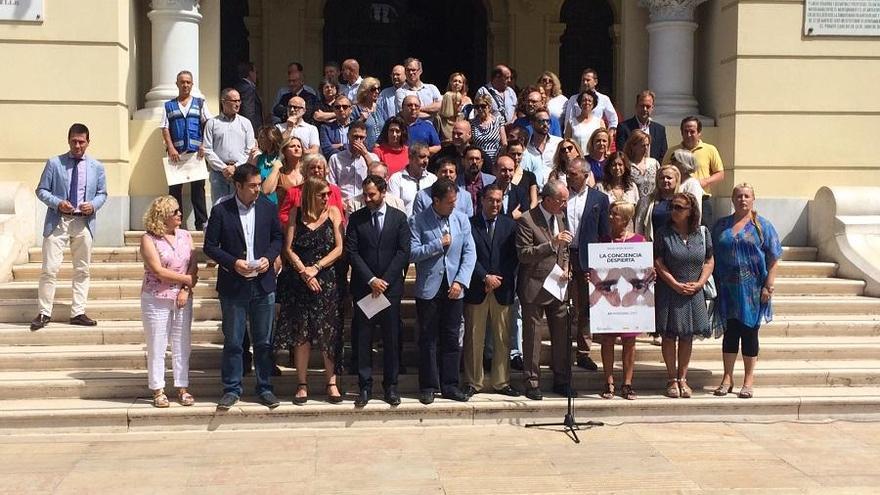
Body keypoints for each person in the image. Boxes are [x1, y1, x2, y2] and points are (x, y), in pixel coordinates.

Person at [203, 164, 283, 410]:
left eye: (259, 184)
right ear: (238, 186)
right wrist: (232, 263)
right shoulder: (221, 211)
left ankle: (264, 387)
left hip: (263, 283)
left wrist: (268, 259)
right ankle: (231, 388)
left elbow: (277, 238)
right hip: (234, 284)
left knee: (263, 341)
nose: (257, 189)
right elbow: (210, 246)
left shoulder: (268, 208)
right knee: (235, 341)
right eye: (252, 186)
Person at [31, 123, 108, 331]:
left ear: (88, 142)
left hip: (83, 222)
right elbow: (41, 190)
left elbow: (103, 193)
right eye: (74, 141)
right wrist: (57, 203)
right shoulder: (54, 163)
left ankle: (78, 312)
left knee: (82, 269)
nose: (77, 145)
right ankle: (44, 312)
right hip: (59, 221)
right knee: (49, 269)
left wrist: (93, 205)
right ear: (68, 140)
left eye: (81, 141)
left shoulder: (97, 167)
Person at [279, 176, 346, 405]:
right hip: (300, 280)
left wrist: (316, 268)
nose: (327, 198)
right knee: (302, 334)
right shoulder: (296, 214)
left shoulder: (334, 212)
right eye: (322, 194)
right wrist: (303, 272)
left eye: (328, 193)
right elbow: (288, 248)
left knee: (329, 333)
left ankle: (332, 382)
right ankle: (302, 383)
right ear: (310, 195)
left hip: (326, 279)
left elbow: (339, 248)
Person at [712, 183, 782, 399]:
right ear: (732, 200)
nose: (743, 199)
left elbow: (773, 258)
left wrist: (768, 285)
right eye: (739, 196)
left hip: (752, 290)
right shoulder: (721, 225)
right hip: (727, 288)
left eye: (747, 196)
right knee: (730, 333)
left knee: (749, 333)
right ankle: (727, 377)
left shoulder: (763, 226)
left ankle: (748, 380)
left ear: (753, 199)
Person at [410, 178, 477, 404]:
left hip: (454, 286)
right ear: (435, 201)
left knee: (451, 337)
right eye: (449, 202)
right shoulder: (418, 221)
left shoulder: (461, 220)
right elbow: (412, 252)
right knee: (428, 338)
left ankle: (450, 384)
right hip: (429, 287)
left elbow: (470, 253)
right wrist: (438, 244)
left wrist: (461, 281)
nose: (453, 206)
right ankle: (428, 385)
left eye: (455, 201)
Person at [346, 175, 411, 407]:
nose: (367, 198)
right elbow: (352, 252)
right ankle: (365, 386)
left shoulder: (399, 219)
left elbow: (403, 252)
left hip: (390, 290)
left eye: (372, 194)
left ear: (383, 192)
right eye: (365, 194)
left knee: (391, 339)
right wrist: (371, 279)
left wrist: (385, 280)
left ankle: (391, 386)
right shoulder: (356, 219)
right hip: (365, 288)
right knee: (363, 339)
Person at [516, 180, 576, 400]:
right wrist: (551, 244)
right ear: (548, 200)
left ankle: (563, 379)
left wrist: (567, 268)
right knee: (533, 336)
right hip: (535, 284)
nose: (564, 205)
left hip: (558, 285)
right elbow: (524, 254)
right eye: (561, 201)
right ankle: (532, 382)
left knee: (562, 335)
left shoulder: (561, 216)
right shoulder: (527, 220)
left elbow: (566, 250)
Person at [654, 192, 715, 398]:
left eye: (679, 208)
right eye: (672, 207)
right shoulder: (663, 232)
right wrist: (674, 283)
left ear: (691, 211)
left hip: (693, 290)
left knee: (687, 336)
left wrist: (699, 283)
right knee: (670, 335)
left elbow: (709, 260)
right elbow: (658, 261)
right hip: (670, 289)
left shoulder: (702, 233)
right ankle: (671, 379)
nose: (674, 211)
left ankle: (683, 378)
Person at [139, 196, 198, 408]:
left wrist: (185, 288)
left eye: (179, 211)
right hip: (156, 298)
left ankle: (182, 387)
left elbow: (193, 263)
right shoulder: (149, 239)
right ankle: (158, 389)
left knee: (182, 343)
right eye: (175, 212)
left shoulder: (185, 235)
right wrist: (187, 280)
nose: (180, 214)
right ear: (163, 215)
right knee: (157, 343)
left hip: (182, 297)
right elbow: (158, 270)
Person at [462, 184, 521, 398]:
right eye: (491, 200)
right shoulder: (470, 224)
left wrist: (497, 279)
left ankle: (501, 381)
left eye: (499, 200)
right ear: (482, 200)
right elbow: (468, 254)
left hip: (502, 288)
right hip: (477, 287)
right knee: (474, 338)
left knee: (502, 338)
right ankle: (472, 381)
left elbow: (513, 258)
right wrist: (484, 276)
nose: (495, 204)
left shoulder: (510, 225)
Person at [595, 200, 646, 400]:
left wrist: (650, 276)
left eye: (614, 214)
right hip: (609, 299)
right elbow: (598, 270)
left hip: (630, 300)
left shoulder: (639, 241)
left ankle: (627, 383)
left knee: (629, 340)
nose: (610, 217)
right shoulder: (603, 241)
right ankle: (608, 382)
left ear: (625, 219)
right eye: (610, 213)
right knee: (607, 340)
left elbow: (644, 271)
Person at [569, 158, 610, 371]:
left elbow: (604, 234)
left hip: (587, 258)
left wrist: (599, 265)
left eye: (574, 174)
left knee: (586, 306)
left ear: (586, 175)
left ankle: (583, 352)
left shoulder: (600, 199)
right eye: (568, 173)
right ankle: (562, 350)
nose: (569, 176)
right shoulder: (561, 194)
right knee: (562, 306)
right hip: (563, 256)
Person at [160, 70, 211, 231]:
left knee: (198, 189)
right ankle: (175, 224)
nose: (185, 85)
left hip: (196, 153)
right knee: (175, 190)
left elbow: (208, 124)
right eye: (182, 82)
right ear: (177, 84)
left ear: (192, 84)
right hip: (176, 154)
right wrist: (170, 147)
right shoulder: (168, 105)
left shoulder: (200, 103)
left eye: (188, 82)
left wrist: (204, 144)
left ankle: (201, 222)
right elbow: (165, 127)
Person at [663, 116, 724, 226]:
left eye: (692, 131)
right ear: (681, 132)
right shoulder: (672, 152)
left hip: (702, 199)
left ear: (699, 133)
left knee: (701, 233)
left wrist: (704, 182)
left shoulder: (710, 149)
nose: (688, 135)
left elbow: (720, 174)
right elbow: (664, 172)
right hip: (677, 200)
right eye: (685, 131)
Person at [204, 88, 256, 202]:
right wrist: (224, 168)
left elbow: (249, 149)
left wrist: (235, 167)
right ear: (223, 102)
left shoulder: (246, 123)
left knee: (239, 207)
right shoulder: (212, 123)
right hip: (218, 174)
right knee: (219, 207)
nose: (237, 104)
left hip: (239, 173)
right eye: (234, 101)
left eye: (239, 101)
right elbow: (207, 149)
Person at [278, 154, 345, 227]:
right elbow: (283, 215)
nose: (316, 170)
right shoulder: (294, 192)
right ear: (305, 171)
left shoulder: (334, 190)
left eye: (319, 168)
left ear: (325, 171)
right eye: (312, 168)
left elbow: (341, 218)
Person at [327, 121, 379, 212]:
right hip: (343, 205)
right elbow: (331, 185)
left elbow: (378, 178)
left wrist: (365, 155)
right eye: (355, 137)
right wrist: (339, 202)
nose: (358, 141)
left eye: (361, 137)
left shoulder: (373, 158)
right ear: (348, 136)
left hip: (365, 204)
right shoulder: (335, 158)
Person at [562, 68, 618, 139]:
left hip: (596, 138)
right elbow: (568, 121)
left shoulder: (604, 99)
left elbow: (613, 119)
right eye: (583, 80)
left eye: (588, 80)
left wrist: (610, 134)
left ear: (595, 82)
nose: (585, 83)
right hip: (579, 137)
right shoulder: (573, 99)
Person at [616, 90, 667, 162]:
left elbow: (663, 155)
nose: (645, 109)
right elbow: (621, 153)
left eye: (648, 106)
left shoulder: (660, 130)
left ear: (652, 108)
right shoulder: (624, 127)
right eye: (642, 105)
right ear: (636, 106)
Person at [387, 143, 437, 215]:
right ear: (410, 157)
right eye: (422, 157)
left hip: (428, 224)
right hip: (405, 224)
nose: (426, 161)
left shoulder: (433, 179)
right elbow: (393, 209)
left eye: (428, 157)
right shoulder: (396, 179)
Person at [635, 164, 681, 242]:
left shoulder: (683, 201)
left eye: (669, 178)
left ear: (677, 180)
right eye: (662, 178)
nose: (665, 180)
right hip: (654, 245)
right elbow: (639, 225)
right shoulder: (646, 201)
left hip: (677, 246)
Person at [521, 109, 563, 188]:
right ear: (532, 123)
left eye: (548, 121)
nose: (545, 124)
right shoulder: (525, 147)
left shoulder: (558, 143)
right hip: (532, 190)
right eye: (541, 121)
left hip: (554, 190)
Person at [260, 133, 304, 207]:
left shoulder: (307, 171)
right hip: (285, 216)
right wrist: (275, 168)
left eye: (299, 146)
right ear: (284, 151)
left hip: (304, 216)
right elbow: (265, 190)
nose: (296, 148)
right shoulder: (280, 171)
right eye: (292, 146)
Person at [469, 94, 507, 164]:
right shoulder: (472, 123)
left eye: (483, 106)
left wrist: (498, 160)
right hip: (479, 161)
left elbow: (504, 143)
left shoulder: (498, 120)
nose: (480, 109)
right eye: (477, 107)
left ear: (489, 107)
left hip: (495, 160)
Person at [565, 90, 605, 157]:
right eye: (584, 100)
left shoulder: (599, 122)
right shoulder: (571, 122)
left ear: (593, 104)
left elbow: (604, 141)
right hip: (577, 160)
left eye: (589, 101)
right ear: (580, 103)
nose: (587, 103)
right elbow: (567, 143)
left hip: (594, 159)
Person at [623, 129, 660, 200]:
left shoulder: (653, 163)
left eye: (647, 145)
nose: (646, 148)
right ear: (633, 146)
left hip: (651, 205)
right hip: (633, 205)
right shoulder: (626, 164)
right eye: (643, 145)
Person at [502, 139, 539, 209]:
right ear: (506, 153)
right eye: (513, 154)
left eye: (519, 154)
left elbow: (534, 201)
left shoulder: (530, 176)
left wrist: (525, 214)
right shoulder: (502, 174)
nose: (516, 157)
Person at [460, 146, 496, 212]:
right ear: (463, 161)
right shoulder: (456, 183)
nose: (474, 162)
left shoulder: (492, 181)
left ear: (482, 162)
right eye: (471, 159)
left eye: (477, 159)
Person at [438, 72, 472, 142]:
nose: (457, 83)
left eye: (460, 82)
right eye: (455, 81)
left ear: (463, 84)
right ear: (450, 82)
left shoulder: (468, 100)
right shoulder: (444, 97)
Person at [352, 77, 384, 149]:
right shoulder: (356, 109)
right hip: (363, 150)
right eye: (373, 89)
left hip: (381, 150)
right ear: (365, 91)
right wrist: (361, 120)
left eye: (378, 89)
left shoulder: (379, 108)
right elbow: (350, 130)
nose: (377, 91)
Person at [319, 95, 354, 159]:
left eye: (345, 107)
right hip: (334, 164)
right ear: (334, 110)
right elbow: (326, 149)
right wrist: (348, 148)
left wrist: (341, 146)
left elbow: (360, 147)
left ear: (351, 109)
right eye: (337, 107)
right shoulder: (325, 128)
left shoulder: (357, 127)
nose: (341, 109)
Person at [233, 61, 264, 134]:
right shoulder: (248, 89)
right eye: (256, 72)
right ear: (250, 73)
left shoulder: (239, 86)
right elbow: (249, 112)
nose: (257, 76)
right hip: (250, 129)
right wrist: (252, 132)